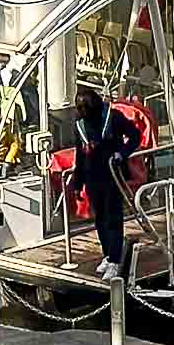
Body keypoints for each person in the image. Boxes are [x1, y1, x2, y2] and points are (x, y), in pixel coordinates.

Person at [65, 87, 142, 281]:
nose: (82, 112)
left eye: (85, 108)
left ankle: (116, 260)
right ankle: (108, 254)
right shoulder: (80, 124)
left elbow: (135, 136)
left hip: (112, 174)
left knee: (113, 218)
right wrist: (77, 182)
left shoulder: (113, 117)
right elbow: (80, 154)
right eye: (80, 108)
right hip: (93, 176)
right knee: (99, 218)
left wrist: (121, 154)